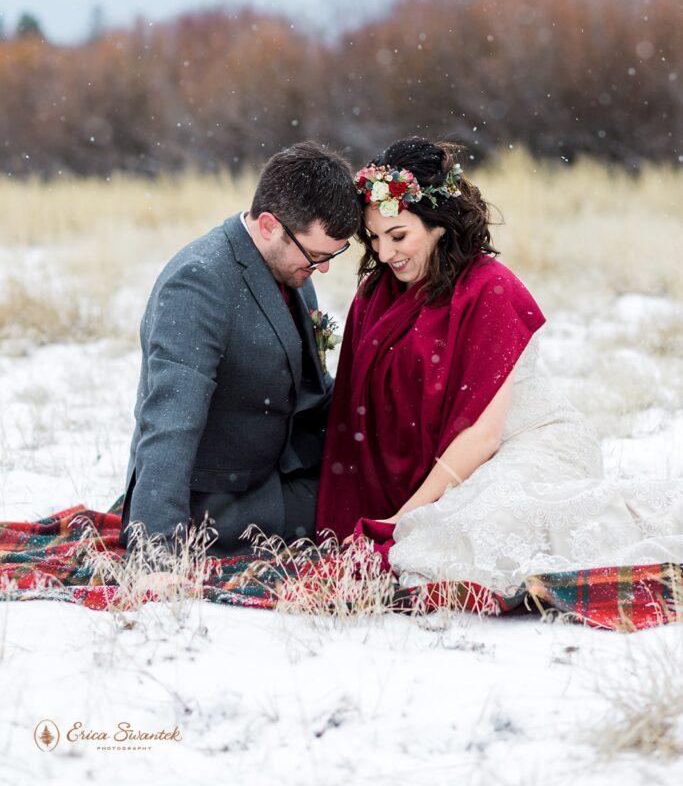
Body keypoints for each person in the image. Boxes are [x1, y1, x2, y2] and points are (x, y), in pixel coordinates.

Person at [315, 137, 683, 599]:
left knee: (471, 531)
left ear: (439, 226)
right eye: (373, 238)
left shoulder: (490, 290)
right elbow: (358, 404)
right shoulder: (376, 294)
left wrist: (403, 517)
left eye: (398, 236)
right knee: (434, 536)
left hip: (533, 444)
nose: (385, 254)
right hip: (453, 461)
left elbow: (484, 436)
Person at [121, 141, 359, 557]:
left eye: (334, 254)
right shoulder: (199, 282)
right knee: (363, 512)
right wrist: (155, 547)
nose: (324, 268)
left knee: (391, 482)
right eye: (316, 255)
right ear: (269, 224)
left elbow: (307, 387)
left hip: (278, 467)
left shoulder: (290, 264)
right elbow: (170, 420)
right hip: (215, 500)